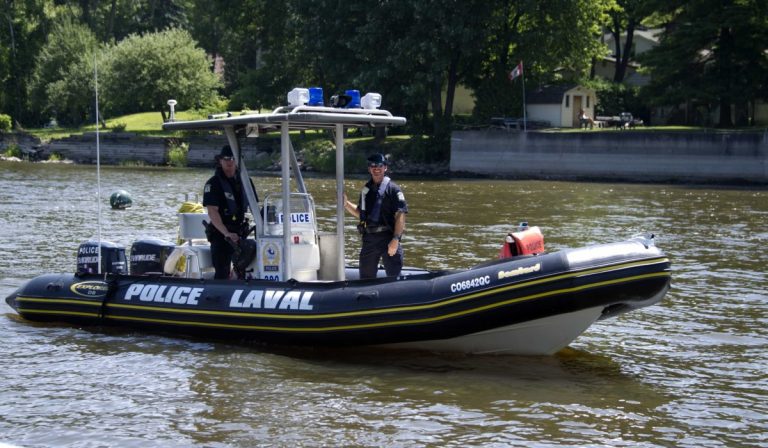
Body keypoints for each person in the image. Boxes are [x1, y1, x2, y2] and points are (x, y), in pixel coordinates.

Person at [343, 153, 408, 279]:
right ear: (369, 169)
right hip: (369, 239)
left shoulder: (394, 189)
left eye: (379, 166)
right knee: (366, 278)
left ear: (385, 168)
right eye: (373, 166)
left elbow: (401, 215)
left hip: (388, 238)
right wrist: (345, 204)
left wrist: (395, 240)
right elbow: (361, 214)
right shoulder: (365, 191)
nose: (376, 168)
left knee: (394, 277)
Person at [202, 145, 257, 279]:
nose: (229, 162)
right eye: (226, 158)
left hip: (240, 234)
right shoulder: (213, 183)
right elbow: (212, 212)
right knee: (222, 271)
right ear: (220, 161)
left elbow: (255, 207)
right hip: (221, 235)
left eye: (232, 158)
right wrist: (227, 233)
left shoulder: (246, 182)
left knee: (246, 268)